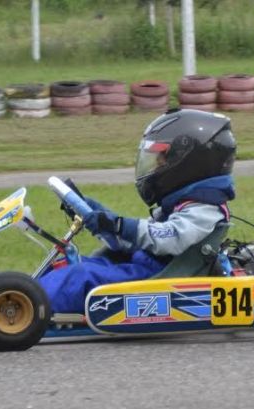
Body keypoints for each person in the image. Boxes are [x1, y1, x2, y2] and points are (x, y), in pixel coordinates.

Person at [38, 108, 238, 314]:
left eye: (164, 157)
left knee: (80, 275)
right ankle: (18, 291)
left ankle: (28, 305)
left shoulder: (204, 209)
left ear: (191, 163)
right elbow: (137, 240)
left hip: (157, 278)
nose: (158, 164)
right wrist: (97, 215)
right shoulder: (184, 204)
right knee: (70, 265)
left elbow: (168, 239)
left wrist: (118, 224)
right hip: (144, 266)